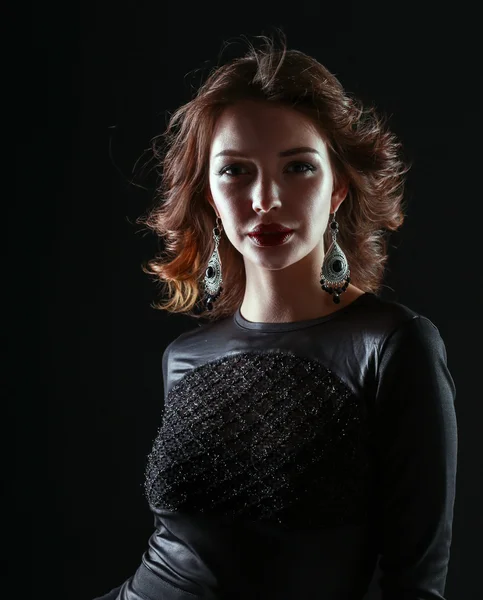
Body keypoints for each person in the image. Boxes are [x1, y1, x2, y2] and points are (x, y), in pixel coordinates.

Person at [94, 32, 458, 600]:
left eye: (298, 168)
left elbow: (415, 581)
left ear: (337, 188)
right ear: (211, 195)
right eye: (236, 171)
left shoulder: (392, 345)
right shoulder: (185, 356)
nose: (265, 197)